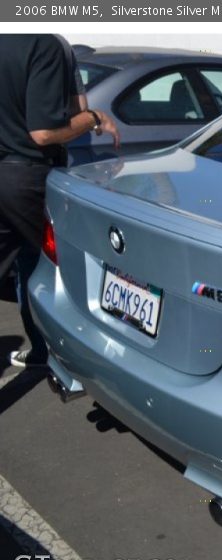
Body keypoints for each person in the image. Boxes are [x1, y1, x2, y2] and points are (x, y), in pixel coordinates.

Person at [0, 34, 120, 368]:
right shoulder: (44, 44)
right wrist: (96, 118)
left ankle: (42, 352)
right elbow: (45, 132)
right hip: (26, 176)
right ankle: (68, 359)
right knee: (49, 267)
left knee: (26, 262)